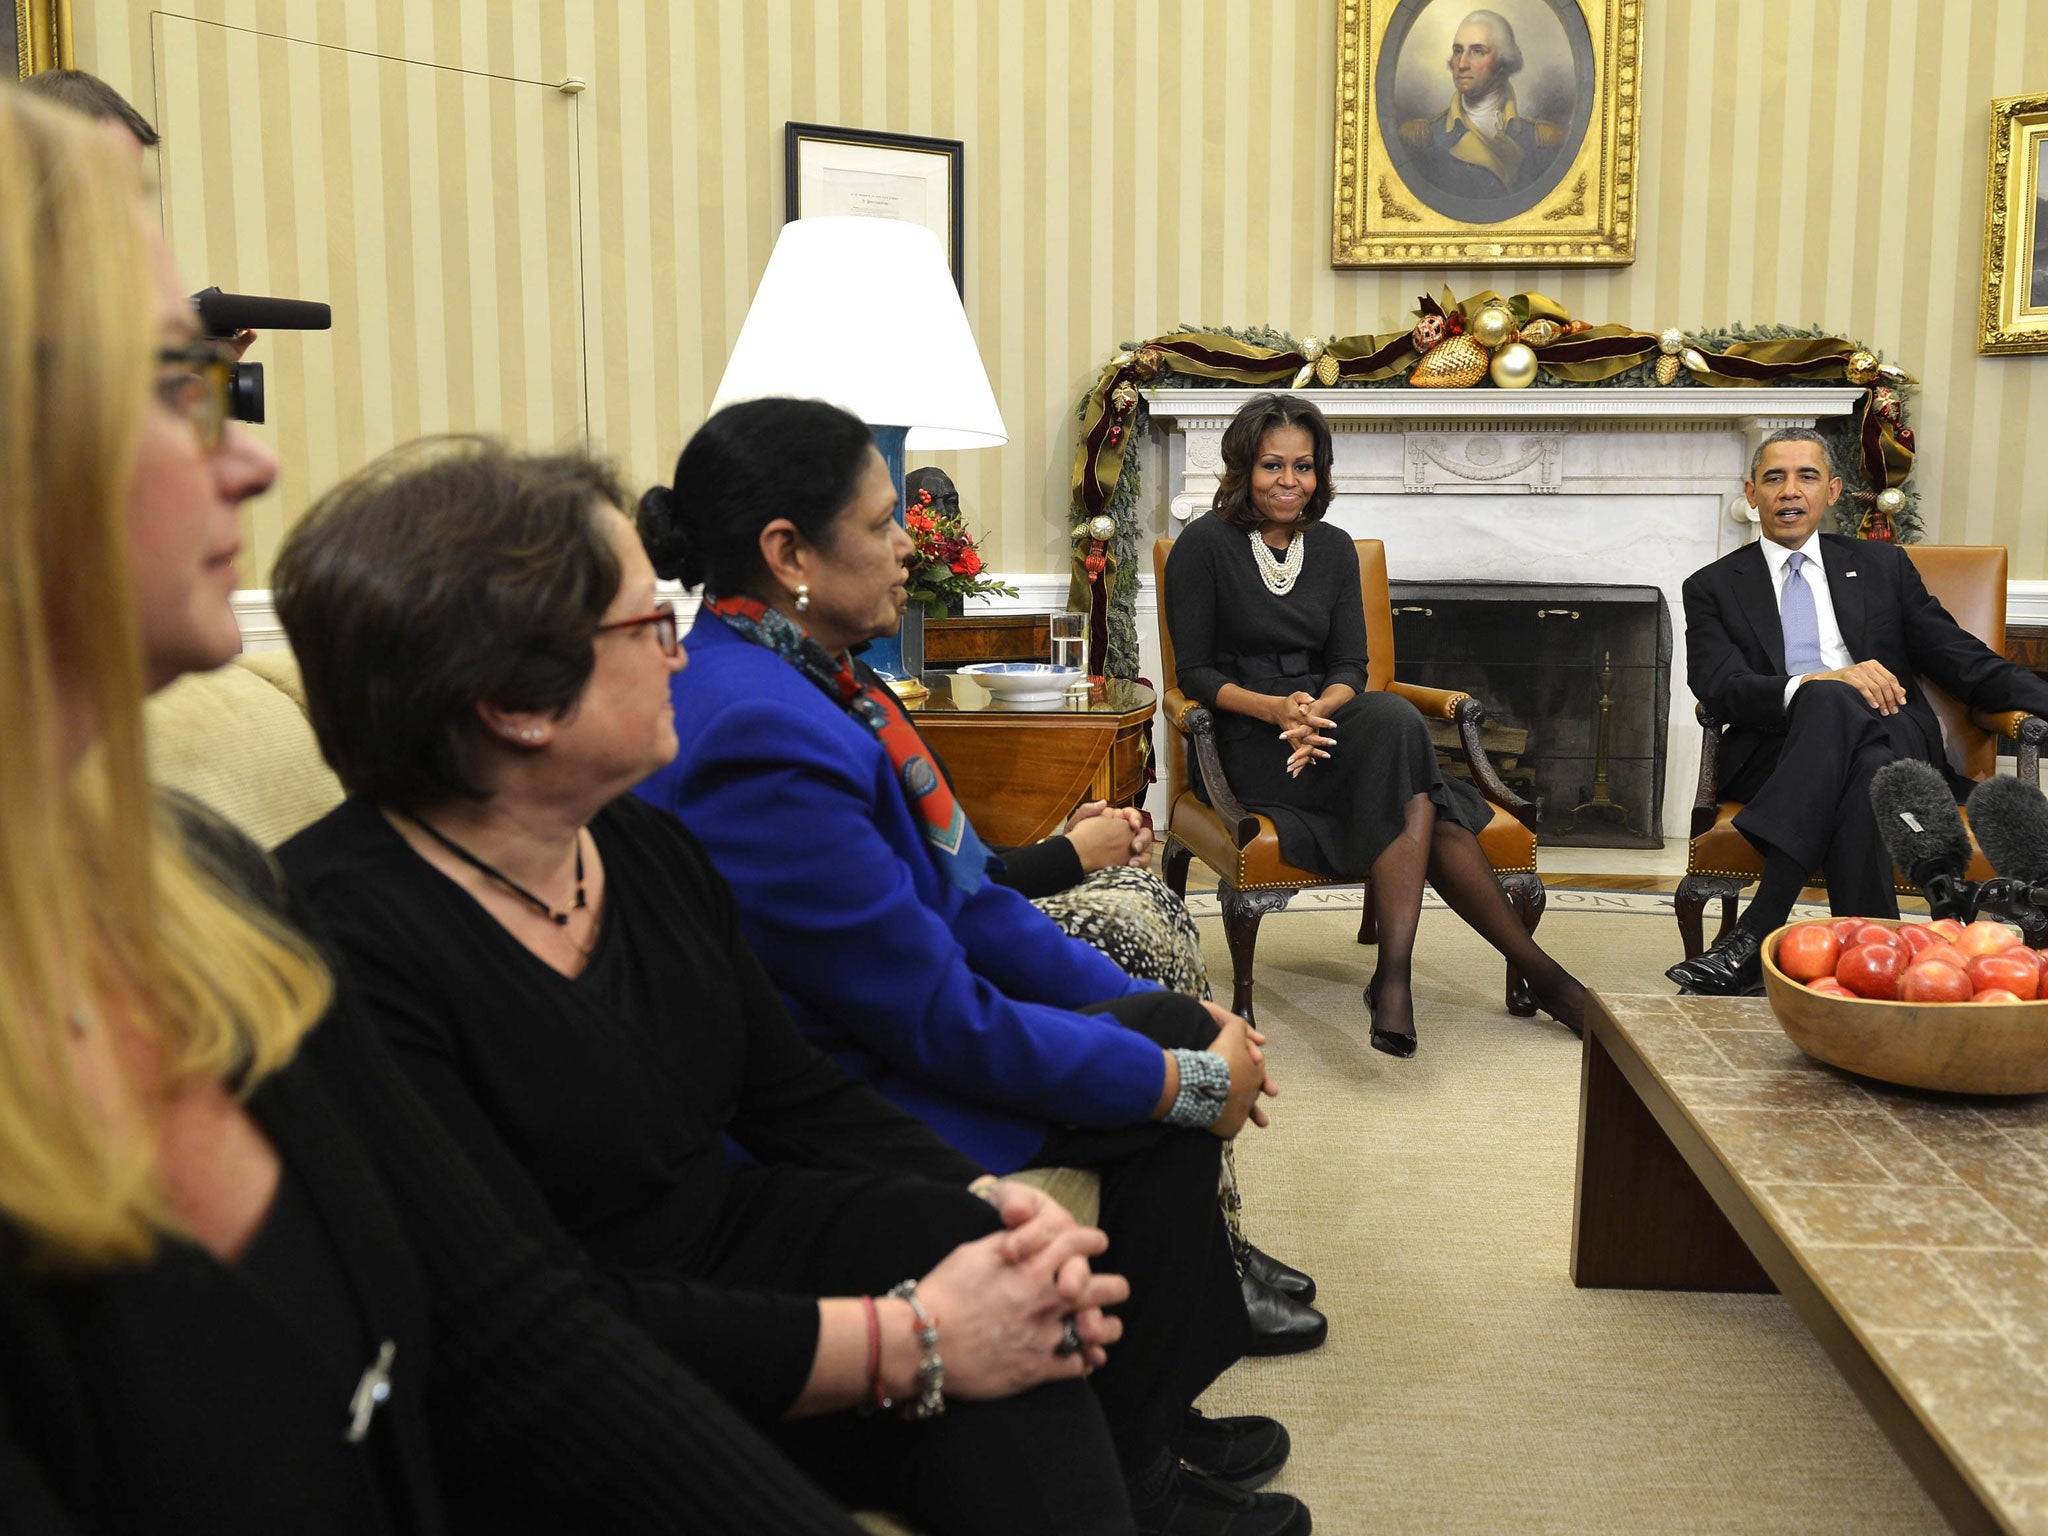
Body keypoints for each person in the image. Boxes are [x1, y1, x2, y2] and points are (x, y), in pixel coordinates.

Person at [0, 86, 869, 1536]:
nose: (256, 453)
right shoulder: (347, 905)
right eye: (176, 383)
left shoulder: (196, 882)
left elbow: (511, 1329)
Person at [270, 435, 1306, 1536]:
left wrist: (982, 1206)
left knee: (1009, 1295)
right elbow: (514, 1321)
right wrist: (908, 1341)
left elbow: (791, 1091)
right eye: (645, 628)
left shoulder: (631, 846)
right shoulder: (340, 948)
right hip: (574, 1362)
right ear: (516, 705)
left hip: (721, 1242)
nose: (681, 655)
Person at [1162, 392, 1586, 1056]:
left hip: (1326, 727)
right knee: (1427, 797)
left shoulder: (1331, 549)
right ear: (1242, 466)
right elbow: (1198, 676)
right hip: (1249, 736)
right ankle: (1531, 974)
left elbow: (1350, 665)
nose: (1289, 481)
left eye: (1304, 467)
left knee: (1388, 718)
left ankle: (1394, 978)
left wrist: (1317, 712)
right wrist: (1278, 711)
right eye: (1274, 465)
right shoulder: (1203, 545)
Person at [1666, 428, 2048, 995]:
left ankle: (1760, 928)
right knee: (1849, 737)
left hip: (1893, 733)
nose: (1789, 491)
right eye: (1774, 478)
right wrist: (1818, 681)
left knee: (1855, 732)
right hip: (1775, 751)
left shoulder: (1881, 567)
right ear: (1751, 493)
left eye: (1807, 476)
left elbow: (1961, 660)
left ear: (1834, 490)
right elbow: (1720, 687)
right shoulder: (1713, 586)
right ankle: (1880, 952)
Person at [1398, 9, 1565, 202]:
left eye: (1477, 51)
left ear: (1503, 61)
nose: (1461, 64)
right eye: (1458, 51)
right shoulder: (1422, 139)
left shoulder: (1543, 140)